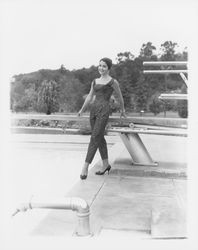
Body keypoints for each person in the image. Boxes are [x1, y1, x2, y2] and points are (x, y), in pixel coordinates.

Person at [78, 57, 127, 180]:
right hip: (93, 111)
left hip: (104, 111)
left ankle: (85, 166)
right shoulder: (94, 81)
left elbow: (120, 97)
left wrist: (122, 110)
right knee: (99, 138)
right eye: (100, 65)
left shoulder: (113, 82)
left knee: (94, 137)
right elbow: (89, 97)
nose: (101, 68)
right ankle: (105, 164)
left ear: (109, 68)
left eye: (104, 66)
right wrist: (82, 109)